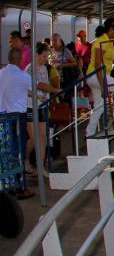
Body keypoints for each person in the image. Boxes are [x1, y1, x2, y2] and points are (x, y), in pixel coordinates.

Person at [0, 47, 35, 198]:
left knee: (5, 152)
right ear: (20, 59)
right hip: (16, 117)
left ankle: (7, 185)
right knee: (18, 152)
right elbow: (33, 90)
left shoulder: (1, 73)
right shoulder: (23, 76)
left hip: (2, 117)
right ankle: (20, 187)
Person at [86, 19, 114, 135]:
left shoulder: (108, 41)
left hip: (96, 76)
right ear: (111, 29)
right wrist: (103, 84)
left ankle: (89, 133)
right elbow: (98, 65)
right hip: (96, 75)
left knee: (100, 106)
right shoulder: (101, 42)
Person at [26, 42, 60, 174]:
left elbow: (44, 85)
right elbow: (38, 85)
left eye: (47, 56)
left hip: (42, 106)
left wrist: (46, 95)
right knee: (33, 138)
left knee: (43, 137)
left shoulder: (44, 68)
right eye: (44, 56)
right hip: (31, 106)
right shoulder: (30, 68)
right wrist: (55, 90)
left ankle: (41, 166)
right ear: (37, 55)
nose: (46, 59)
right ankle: (26, 159)